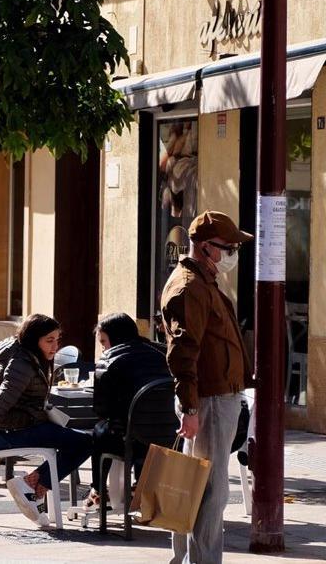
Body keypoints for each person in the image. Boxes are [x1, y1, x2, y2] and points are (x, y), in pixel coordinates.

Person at [161, 210, 254, 564]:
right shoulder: (190, 287)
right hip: (209, 399)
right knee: (211, 490)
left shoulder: (203, 280)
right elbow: (183, 352)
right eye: (227, 247)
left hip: (214, 396)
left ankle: (188, 558)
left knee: (199, 485)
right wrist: (191, 408)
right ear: (204, 247)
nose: (232, 253)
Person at [0, 313, 93, 526]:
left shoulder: (27, 356)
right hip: (5, 433)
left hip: (14, 428)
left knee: (78, 441)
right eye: (49, 340)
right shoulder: (21, 364)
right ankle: (31, 484)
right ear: (35, 340)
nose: (55, 346)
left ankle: (33, 489)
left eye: (57, 340)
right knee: (85, 442)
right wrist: (35, 418)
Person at [85, 312, 170, 508]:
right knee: (131, 432)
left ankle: (98, 489)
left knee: (99, 431)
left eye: (104, 341)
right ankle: (138, 487)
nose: (103, 347)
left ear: (114, 337)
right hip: (168, 437)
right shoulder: (164, 352)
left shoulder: (109, 359)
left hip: (129, 439)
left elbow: (101, 410)